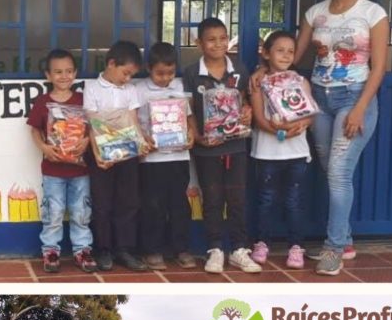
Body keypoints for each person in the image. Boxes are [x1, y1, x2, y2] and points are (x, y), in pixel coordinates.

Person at [297, 0, 389, 276]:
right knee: (330, 169)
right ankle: (346, 240)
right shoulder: (315, 13)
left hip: (354, 98)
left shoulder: (373, 13)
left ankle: (334, 248)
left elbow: (379, 67)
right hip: (319, 99)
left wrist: (360, 109)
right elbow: (294, 56)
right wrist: (268, 70)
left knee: (338, 173)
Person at [182, 17, 261, 275]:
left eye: (223, 38)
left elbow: (246, 100)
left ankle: (239, 249)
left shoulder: (238, 68)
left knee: (237, 198)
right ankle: (215, 249)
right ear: (199, 43)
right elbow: (188, 110)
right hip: (206, 147)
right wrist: (196, 134)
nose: (218, 44)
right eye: (211, 39)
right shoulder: (192, 73)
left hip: (236, 145)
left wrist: (248, 111)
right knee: (212, 198)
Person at [26, 48, 96, 273]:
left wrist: (86, 141)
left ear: (75, 73)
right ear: (48, 75)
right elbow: (35, 130)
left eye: (68, 71)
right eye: (58, 72)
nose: (64, 76)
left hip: (80, 171)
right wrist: (44, 147)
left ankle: (82, 250)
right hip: (53, 170)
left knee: (80, 212)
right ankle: (51, 250)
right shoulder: (43, 102)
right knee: (53, 212)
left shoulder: (83, 101)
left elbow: (93, 128)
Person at [250, 31, 314, 270]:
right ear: (266, 53)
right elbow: (258, 118)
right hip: (267, 153)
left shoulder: (300, 81)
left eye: (290, 51)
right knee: (265, 200)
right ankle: (262, 243)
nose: (286, 55)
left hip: (296, 153)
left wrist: (302, 124)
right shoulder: (259, 83)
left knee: (294, 202)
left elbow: (310, 116)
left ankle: (296, 246)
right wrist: (278, 131)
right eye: (279, 50)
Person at [132, 41, 199, 270]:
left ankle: (181, 248)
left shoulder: (179, 87)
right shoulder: (139, 89)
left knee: (179, 204)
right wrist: (143, 139)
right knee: (153, 205)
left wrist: (191, 134)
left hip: (178, 157)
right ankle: (152, 250)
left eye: (170, 73)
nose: (165, 78)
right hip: (151, 159)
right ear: (149, 68)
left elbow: (189, 117)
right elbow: (133, 121)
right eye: (160, 73)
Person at [83, 40, 148, 272]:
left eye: (131, 75)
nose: (127, 79)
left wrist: (141, 143)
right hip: (101, 153)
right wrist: (98, 153)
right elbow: (92, 122)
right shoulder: (92, 88)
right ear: (111, 63)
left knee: (128, 202)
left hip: (128, 153)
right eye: (125, 73)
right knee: (102, 203)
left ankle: (125, 249)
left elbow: (133, 119)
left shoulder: (130, 91)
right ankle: (103, 250)